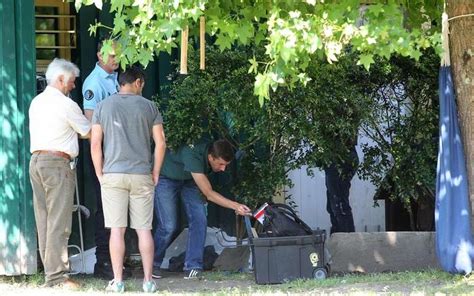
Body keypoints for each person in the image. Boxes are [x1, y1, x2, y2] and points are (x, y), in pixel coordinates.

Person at [91, 66, 166, 293]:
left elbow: (95, 144)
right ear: (138, 82)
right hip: (141, 174)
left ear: (119, 83)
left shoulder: (102, 106)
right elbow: (161, 143)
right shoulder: (149, 107)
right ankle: (148, 282)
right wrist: (156, 172)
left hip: (113, 174)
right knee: (144, 230)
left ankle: (118, 281)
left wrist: (99, 173)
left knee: (116, 230)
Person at [29, 58, 91, 288]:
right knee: (59, 222)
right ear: (61, 79)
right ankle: (57, 277)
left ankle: (50, 275)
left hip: (36, 161)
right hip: (57, 164)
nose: (74, 86)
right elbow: (87, 131)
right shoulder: (66, 104)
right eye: (72, 81)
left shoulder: (36, 101)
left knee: (44, 220)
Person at [153, 140, 251, 279]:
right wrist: (236, 206)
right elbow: (208, 193)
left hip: (190, 179)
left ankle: (193, 266)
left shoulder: (211, 152)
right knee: (168, 225)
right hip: (167, 176)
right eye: (221, 164)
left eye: (226, 165)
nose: (223, 169)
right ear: (211, 157)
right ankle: (153, 264)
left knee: (199, 219)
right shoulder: (192, 154)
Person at [82, 38, 120, 279]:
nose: (116, 59)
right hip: (104, 152)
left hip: (119, 152)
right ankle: (103, 262)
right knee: (105, 208)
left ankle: (118, 258)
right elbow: (90, 124)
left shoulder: (117, 78)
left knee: (118, 207)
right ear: (99, 56)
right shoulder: (94, 83)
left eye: (118, 55)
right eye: (111, 55)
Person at [324, 139, 359, 234]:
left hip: (340, 158)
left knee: (339, 204)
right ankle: (339, 237)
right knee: (333, 205)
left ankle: (347, 239)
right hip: (335, 158)